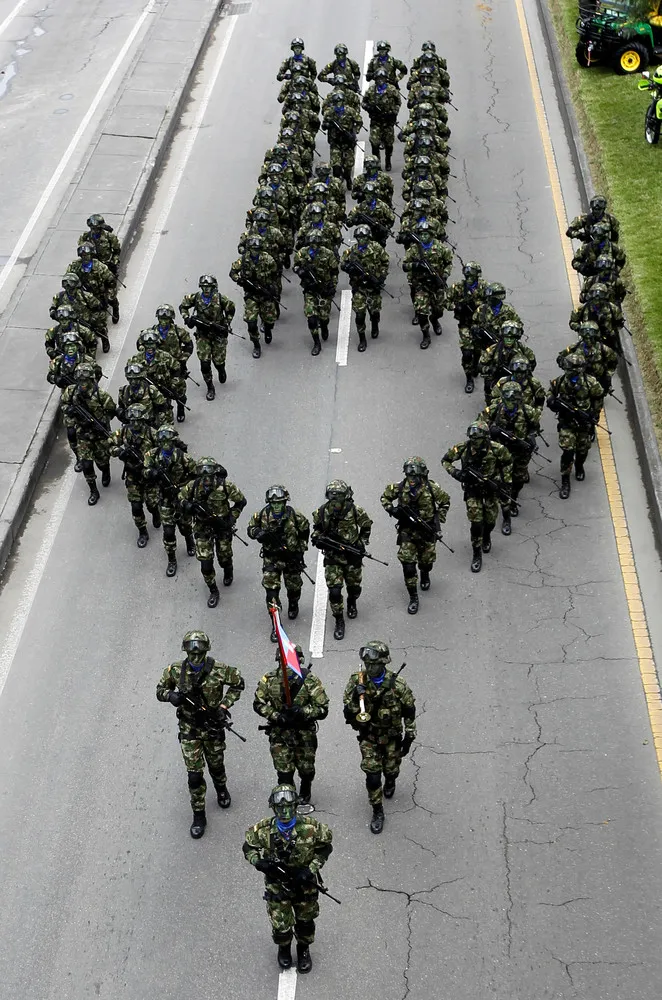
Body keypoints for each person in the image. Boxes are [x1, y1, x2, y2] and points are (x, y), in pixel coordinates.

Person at [156, 631, 244, 839]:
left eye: (200, 653)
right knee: (194, 776)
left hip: (212, 726)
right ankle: (198, 814)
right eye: (191, 653)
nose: (195, 658)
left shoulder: (220, 670)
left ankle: (221, 789)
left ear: (206, 651)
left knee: (216, 765)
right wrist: (170, 695)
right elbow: (160, 689)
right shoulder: (176, 671)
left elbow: (238, 684)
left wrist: (224, 705)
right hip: (189, 729)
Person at [243, 784, 333, 973]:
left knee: (305, 923)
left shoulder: (312, 828)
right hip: (277, 886)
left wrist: (311, 869)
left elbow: (326, 847)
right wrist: (259, 862)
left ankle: (303, 949)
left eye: (289, 807)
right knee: (281, 927)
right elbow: (248, 846)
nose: (284, 812)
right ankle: (284, 949)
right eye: (280, 808)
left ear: (295, 806)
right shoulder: (263, 830)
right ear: (273, 808)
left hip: (304, 885)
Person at [342, 642, 416, 834]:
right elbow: (347, 712)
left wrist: (409, 737)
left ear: (383, 663)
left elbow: (409, 711)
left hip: (391, 737)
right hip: (369, 737)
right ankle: (377, 810)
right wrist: (354, 699)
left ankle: (391, 780)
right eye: (367, 664)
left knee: (391, 771)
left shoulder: (398, 685)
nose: (369, 668)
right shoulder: (356, 682)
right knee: (373, 777)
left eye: (374, 664)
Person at [253, 646, 329, 802]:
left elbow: (322, 708)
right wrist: (276, 716)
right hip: (280, 734)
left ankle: (305, 789)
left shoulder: (309, 680)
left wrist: (302, 712)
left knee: (306, 770)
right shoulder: (269, 679)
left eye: (290, 661)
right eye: (283, 661)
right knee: (284, 774)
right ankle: (288, 796)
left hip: (304, 734)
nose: (286, 665)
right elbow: (258, 703)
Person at [380, 457, 450, 614]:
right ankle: (413, 597)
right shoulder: (398, 487)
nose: (411, 480)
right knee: (408, 566)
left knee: (426, 563)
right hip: (407, 532)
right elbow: (384, 498)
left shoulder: (432, 488)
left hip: (427, 531)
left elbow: (445, 502)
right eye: (409, 476)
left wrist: (438, 521)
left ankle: (425, 574)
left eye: (415, 476)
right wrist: (392, 510)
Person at [441, 421, 513, 572]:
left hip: (490, 490)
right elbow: (445, 460)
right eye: (472, 438)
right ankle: (476, 553)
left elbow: (508, 463)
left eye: (478, 438)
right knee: (476, 524)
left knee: (490, 521)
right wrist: (456, 473)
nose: (474, 441)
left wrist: (502, 482)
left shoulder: (497, 449)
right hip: (472, 490)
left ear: (485, 438)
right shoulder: (462, 447)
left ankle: (486, 536)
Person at [179, 458, 246, 607]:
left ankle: (228, 570)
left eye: (209, 472)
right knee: (206, 565)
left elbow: (241, 501)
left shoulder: (226, 486)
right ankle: (213, 590)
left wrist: (231, 518)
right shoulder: (193, 486)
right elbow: (181, 498)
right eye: (202, 472)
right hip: (203, 528)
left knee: (224, 557)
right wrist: (188, 506)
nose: (206, 477)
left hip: (222, 527)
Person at [311, 481, 373, 640]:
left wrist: (362, 542)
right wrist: (318, 539)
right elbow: (317, 529)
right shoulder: (322, 512)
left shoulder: (355, 510)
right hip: (333, 557)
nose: (335, 501)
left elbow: (366, 525)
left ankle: (352, 601)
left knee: (354, 588)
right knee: (334, 591)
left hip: (352, 556)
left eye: (338, 498)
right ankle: (339, 619)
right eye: (333, 498)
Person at [247, 485, 310, 635]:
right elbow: (250, 529)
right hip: (271, 559)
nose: (276, 506)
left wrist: (300, 553)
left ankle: (293, 603)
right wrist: (257, 532)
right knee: (271, 593)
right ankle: (276, 625)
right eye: (273, 503)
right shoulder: (261, 515)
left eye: (279, 503)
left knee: (294, 588)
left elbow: (305, 531)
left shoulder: (296, 516)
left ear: (284, 502)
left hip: (291, 559)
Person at [480, 381, 540, 531]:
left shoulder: (528, 411)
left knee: (518, 480)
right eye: (508, 399)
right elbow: (479, 424)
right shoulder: (494, 409)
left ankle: (514, 499)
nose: (510, 402)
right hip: (500, 453)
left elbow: (534, 426)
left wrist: (532, 437)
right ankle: (507, 517)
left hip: (520, 452)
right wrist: (491, 430)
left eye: (514, 399)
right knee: (503, 483)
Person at [546, 352, 605, 499]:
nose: (573, 371)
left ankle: (579, 465)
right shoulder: (559, 382)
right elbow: (550, 393)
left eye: (576, 368)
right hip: (567, 423)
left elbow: (598, 397)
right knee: (567, 451)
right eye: (570, 368)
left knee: (582, 449)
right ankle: (565, 479)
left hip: (584, 423)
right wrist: (552, 402)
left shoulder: (590, 382)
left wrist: (594, 414)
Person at [144, 425, 197, 577]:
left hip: (181, 497)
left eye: (168, 440)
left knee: (185, 526)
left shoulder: (183, 457)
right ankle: (172, 559)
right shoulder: (152, 455)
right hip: (165, 499)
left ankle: (189, 540)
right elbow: (145, 469)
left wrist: (185, 491)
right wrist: (152, 472)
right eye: (162, 440)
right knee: (168, 531)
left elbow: (196, 477)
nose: (165, 443)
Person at [60, 363, 116, 506]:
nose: (83, 384)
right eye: (80, 381)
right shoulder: (71, 392)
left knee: (102, 462)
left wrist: (100, 421)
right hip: (83, 434)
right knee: (86, 464)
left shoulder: (101, 395)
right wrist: (70, 411)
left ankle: (106, 470)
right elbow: (64, 404)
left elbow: (111, 411)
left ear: (91, 380)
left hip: (99, 434)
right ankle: (93, 490)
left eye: (86, 381)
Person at [109, 403, 160, 547]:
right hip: (132, 475)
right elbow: (110, 442)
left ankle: (156, 513)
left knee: (152, 504)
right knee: (136, 506)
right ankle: (142, 531)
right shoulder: (124, 432)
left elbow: (162, 452)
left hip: (149, 475)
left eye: (138, 421)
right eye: (132, 421)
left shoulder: (152, 433)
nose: (135, 424)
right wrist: (118, 452)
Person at [179, 275, 235, 399]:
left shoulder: (220, 298)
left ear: (213, 287)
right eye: (204, 287)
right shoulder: (196, 297)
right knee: (205, 364)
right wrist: (186, 318)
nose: (206, 289)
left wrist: (227, 323)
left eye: (208, 287)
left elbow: (231, 309)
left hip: (217, 334)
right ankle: (210, 386)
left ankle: (221, 369)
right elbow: (183, 306)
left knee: (218, 361)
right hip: (202, 335)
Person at [402, 221, 452, 348]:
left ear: (431, 234)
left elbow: (448, 263)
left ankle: (434, 320)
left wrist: (444, 275)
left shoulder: (440, 248)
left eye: (426, 234)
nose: (423, 237)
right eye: (421, 234)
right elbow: (404, 265)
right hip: (421, 285)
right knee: (421, 312)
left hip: (436, 285)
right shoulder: (414, 249)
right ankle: (426, 335)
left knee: (439, 310)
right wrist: (416, 265)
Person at [229, 236, 281, 358]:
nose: (254, 252)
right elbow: (232, 273)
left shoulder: (268, 259)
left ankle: (268, 329)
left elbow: (275, 273)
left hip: (265, 293)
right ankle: (256, 345)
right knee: (251, 323)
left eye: (256, 249)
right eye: (252, 249)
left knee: (270, 320)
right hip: (251, 295)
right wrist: (240, 280)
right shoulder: (243, 260)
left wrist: (272, 288)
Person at [340, 224, 389, 351]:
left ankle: (374, 325)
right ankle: (362, 338)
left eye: (364, 237)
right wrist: (348, 268)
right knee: (359, 316)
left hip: (373, 287)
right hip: (359, 288)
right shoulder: (352, 251)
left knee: (374, 312)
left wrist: (381, 277)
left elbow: (385, 262)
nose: (361, 240)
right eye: (359, 237)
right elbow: (343, 263)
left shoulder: (376, 248)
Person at [292, 230, 339, 355]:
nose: (314, 245)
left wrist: (332, 287)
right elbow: (295, 266)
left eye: (316, 242)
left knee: (324, 317)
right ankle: (316, 343)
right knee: (311, 319)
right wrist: (300, 271)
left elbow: (334, 272)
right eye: (312, 243)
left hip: (324, 289)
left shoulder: (328, 254)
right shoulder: (303, 253)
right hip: (310, 290)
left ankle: (324, 326)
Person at [445, 261, 489, 392]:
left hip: (480, 325)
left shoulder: (484, 287)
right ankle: (469, 378)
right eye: (467, 274)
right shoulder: (458, 287)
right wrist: (457, 307)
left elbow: (492, 305)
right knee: (467, 352)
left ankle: (476, 364)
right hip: (465, 324)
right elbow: (446, 302)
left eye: (472, 274)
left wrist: (480, 309)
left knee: (477, 351)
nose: (469, 277)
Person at [145, 304, 194, 420]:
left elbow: (189, 345)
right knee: (161, 392)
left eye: (166, 319)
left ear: (170, 319)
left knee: (179, 392)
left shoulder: (178, 331)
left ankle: (181, 407)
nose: (163, 322)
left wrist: (183, 359)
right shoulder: (151, 333)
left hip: (175, 367)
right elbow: (141, 345)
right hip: (158, 369)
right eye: (161, 319)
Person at [478, 319, 536, 404]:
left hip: (516, 377)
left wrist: (522, 370)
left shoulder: (523, 350)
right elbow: (480, 365)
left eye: (511, 338)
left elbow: (532, 364)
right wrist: (490, 369)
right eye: (507, 338)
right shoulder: (494, 349)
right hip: (497, 377)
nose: (509, 340)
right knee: (489, 386)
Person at [320, 90, 363, 189]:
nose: (338, 105)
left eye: (340, 102)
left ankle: (347, 178)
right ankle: (338, 186)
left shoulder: (350, 111)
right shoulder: (329, 112)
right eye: (336, 103)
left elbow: (359, 121)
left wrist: (354, 132)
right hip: (335, 142)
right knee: (336, 168)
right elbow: (323, 126)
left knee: (348, 166)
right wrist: (327, 125)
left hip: (347, 143)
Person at [362, 67, 401, 170]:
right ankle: (377, 162)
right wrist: (369, 108)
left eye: (382, 78)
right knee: (374, 143)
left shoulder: (392, 90)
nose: (380, 80)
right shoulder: (371, 90)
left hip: (388, 121)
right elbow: (364, 102)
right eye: (378, 78)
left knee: (389, 143)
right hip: (376, 121)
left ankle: (388, 160)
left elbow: (398, 102)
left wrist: (394, 113)